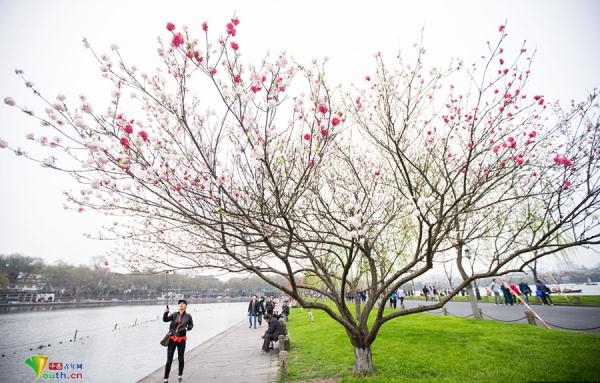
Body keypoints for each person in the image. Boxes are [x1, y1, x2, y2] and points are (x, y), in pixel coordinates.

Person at [163, 299, 193, 383]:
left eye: (183, 304)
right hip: (172, 339)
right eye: (180, 303)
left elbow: (191, 325)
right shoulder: (174, 315)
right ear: (178, 306)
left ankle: (180, 375)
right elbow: (165, 320)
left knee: (181, 358)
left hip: (182, 339)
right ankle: (166, 378)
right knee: (169, 359)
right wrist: (166, 312)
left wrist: (188, 328)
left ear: (186, 306)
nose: (181, 305)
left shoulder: (188, 316)